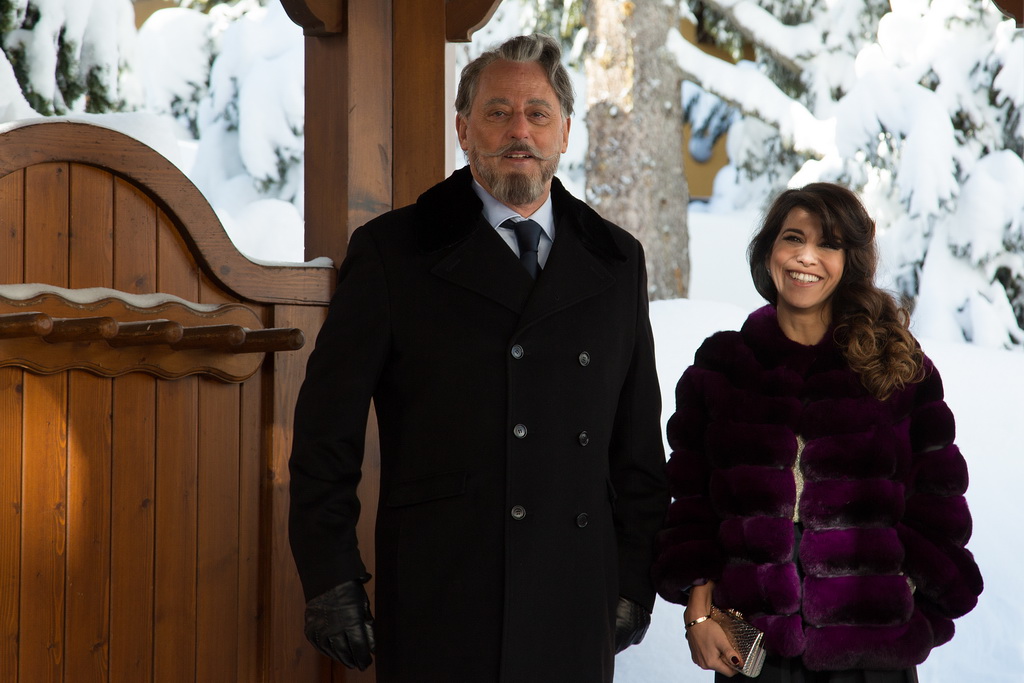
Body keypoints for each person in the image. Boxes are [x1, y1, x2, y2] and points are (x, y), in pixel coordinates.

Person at [288, 33, 668, 683]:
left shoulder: (616, 259)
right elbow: (327, 433)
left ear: (565, 131)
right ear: (463, 129)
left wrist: (635, 575)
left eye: (537, 113)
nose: (519, 131)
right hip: (444, 592)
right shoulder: (392, 252)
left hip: (575, 594)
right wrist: (329, 576)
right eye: (498, 112)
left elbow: (637, 447)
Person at [652, 183, 983, 681]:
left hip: (872, 655)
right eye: (793, 238)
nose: (806, 256)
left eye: (828, 244)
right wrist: (698, 614)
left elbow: (940, 508)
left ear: (849, 261)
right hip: (755, 651)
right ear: (769, 251)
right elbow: (691, 507)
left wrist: (908, 603)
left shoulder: (897, 366)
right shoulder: (722, 368)